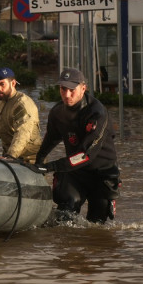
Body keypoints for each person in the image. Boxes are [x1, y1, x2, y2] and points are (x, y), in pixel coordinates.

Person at [35, 67, 120, 223]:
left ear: (83, 88)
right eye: (63, 89)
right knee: (64, 215)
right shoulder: (57, 112)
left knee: (98, 224)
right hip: (75, 171)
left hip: (102, 172)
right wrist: (39, 162)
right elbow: (51, 139)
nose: (67, 95)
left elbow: (85, 155)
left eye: (71, 90)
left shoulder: (97, 113)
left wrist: (51, 167)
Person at [0, 67, 42, 162]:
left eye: (2, 84)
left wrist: (10, 156)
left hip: (30, 160)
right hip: (9, 158)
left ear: (13, 83)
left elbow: (22, 134)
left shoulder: (22, 104)